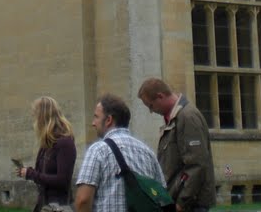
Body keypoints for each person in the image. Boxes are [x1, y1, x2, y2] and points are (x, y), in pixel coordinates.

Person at [75, 93, 166, 212]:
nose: (93, 123)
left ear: (108, 120)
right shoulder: (148, 152)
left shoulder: (98, 150)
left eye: (96, 117)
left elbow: (83, 200)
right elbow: (162, 196)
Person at [138, 77, 215, 212]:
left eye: (151, 105)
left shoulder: (188, 117)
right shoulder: (175, 118)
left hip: (191, 205)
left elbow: (197, 164)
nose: (151, 111)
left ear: (160, 96)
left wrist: (181, 202)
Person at [17, 95, 78, 212]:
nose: (34, 121)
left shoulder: (64, 143)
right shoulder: (47, 144)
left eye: (35, 116)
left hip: (59, 206)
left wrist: (31, 174)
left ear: (43, 117)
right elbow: (43, 176)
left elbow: (62, 180)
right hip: (44, 205)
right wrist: (27, 172)